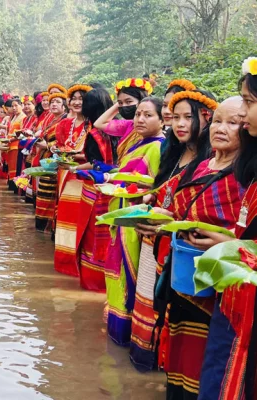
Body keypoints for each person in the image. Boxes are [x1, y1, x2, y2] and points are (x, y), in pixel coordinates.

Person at [147, 94, 240, 399]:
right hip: (182, 277)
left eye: (234, 122)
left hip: (217, 288)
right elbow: (179, 211)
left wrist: (226, 240)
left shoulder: (246, 176)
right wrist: (160, 219)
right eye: (218, 121)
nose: (221, 128)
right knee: (178, 357)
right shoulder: (201, 166)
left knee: (206, 365)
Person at [198, 59, 257, 400]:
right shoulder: (248, 167)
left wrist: (227, 243)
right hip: (232, 296)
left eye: (248, 103)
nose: (243, 117)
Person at [103, 97, 165, 347]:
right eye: (138, 114)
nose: (140, 119)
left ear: (163, 119)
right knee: (115, 269)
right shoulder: (138, 142)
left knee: (131, 274)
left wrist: (138, 191)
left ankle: (128, 328)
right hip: (120, 211)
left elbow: (158, 186)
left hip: (136, 216)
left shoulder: (160, 147)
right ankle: (116, 325)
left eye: (148, 115)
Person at [72, 87, 115, 292]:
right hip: (120, 189)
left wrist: (75, 169)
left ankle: (93, 282)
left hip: (96, 189)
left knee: (91, 235)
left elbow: (95, 164)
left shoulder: (95, 133)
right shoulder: (122, 130)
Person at [53, 84, 92, 277]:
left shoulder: (93, 126)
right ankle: (65, 266)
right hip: (65, 175)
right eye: (74, 98)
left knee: (80, 222)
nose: (77, 102)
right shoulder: (64, 125)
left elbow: (97, 157)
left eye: (81, 98)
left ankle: (80, 267)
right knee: (65, 220)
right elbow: (59, 146)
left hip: (84, 178)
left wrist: (76, 157)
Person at [33, 92, 66, 233]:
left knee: (50, 195)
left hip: (55, 162)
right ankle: (41, 230)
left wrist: (46, 145)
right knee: (43, 194)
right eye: (51, 101)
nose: (53, 104)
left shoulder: (64, 121)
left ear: (65, 106)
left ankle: (48, 227)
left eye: (57, 101)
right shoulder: (51, 119)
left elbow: (63, 143)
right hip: (46, 160)